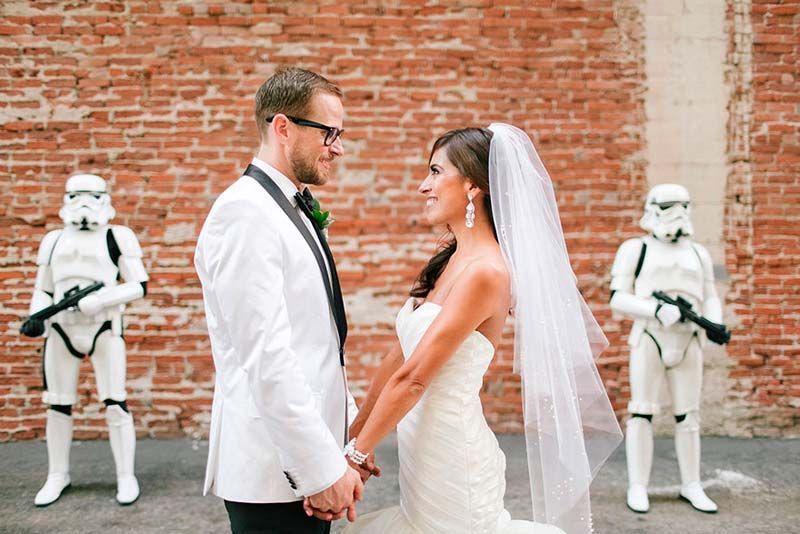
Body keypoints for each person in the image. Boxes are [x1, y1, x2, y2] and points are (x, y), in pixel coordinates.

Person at [330, 125, 622, 534]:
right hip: (421, 457)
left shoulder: (487, 272)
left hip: (453, 460)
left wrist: (356, 456)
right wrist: (355, 438)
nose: (423, 186)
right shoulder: (449, 260)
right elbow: (398, 358)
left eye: (435, 172)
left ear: (472, 186)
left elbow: (414, 379)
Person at [194, 67, 375, 534]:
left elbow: (315, 342)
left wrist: (349, 435)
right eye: (329, 132)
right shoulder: (245, 212)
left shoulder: (285, 204)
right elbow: (266, 355)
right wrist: (320, 469)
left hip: (310, 451)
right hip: (275, 471)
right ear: (283, 127)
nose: (338, 147)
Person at [22, 173, 148, 506]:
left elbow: (138, 284)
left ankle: (125, 475)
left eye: (92, 196)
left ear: (104, 199)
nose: (84, 203)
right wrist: (37, 317)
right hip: (61, 329)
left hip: (104, 328)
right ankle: (57, 474)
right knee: (58, 405)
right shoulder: (53, 240)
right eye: (76, 195)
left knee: (115, 403)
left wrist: (102, 299)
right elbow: (43, 288)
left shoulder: (117, 236)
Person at [610, 184, 723, 513]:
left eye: (683, 205)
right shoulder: (636, 249)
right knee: (641, 412)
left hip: (688, 339)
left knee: (689, 416)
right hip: (650, 336)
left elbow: (710, 295)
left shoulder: (698, 253)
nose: (677, 213)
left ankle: (691, 484)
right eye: (669, 206)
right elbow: (618, 297)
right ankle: (638, 485)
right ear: (653, 208)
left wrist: (712, 323)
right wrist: (655, 309)